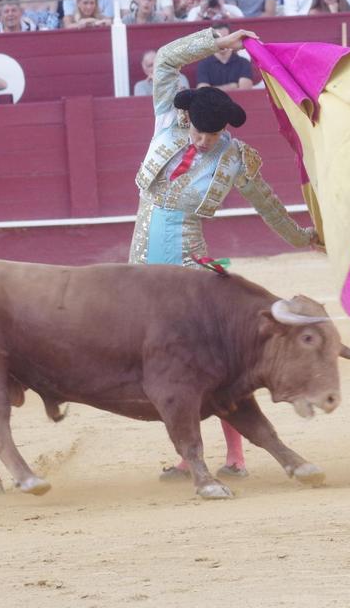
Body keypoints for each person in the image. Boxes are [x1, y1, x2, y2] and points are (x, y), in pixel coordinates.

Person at [131, 25, 319, 481]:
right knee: (161, 363)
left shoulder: (235, 157)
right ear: (188, 118)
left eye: (211, 136)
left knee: (208, 362)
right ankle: (185, 453)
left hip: (188, 263)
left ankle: (234, 455)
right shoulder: (168, 117)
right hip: (140, 265)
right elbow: (169, 60)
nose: (201, 142)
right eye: (198, 132)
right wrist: (215, 41)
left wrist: (302, 236)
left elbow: (268, 206)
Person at [195, 24, 254, 88]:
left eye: (225, 38)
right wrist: (232, 86)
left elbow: (245, 90)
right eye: (217, 38)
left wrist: (213, 89)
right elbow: (203, 91)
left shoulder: (244, 63)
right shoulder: (204, 64)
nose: (222, 42)